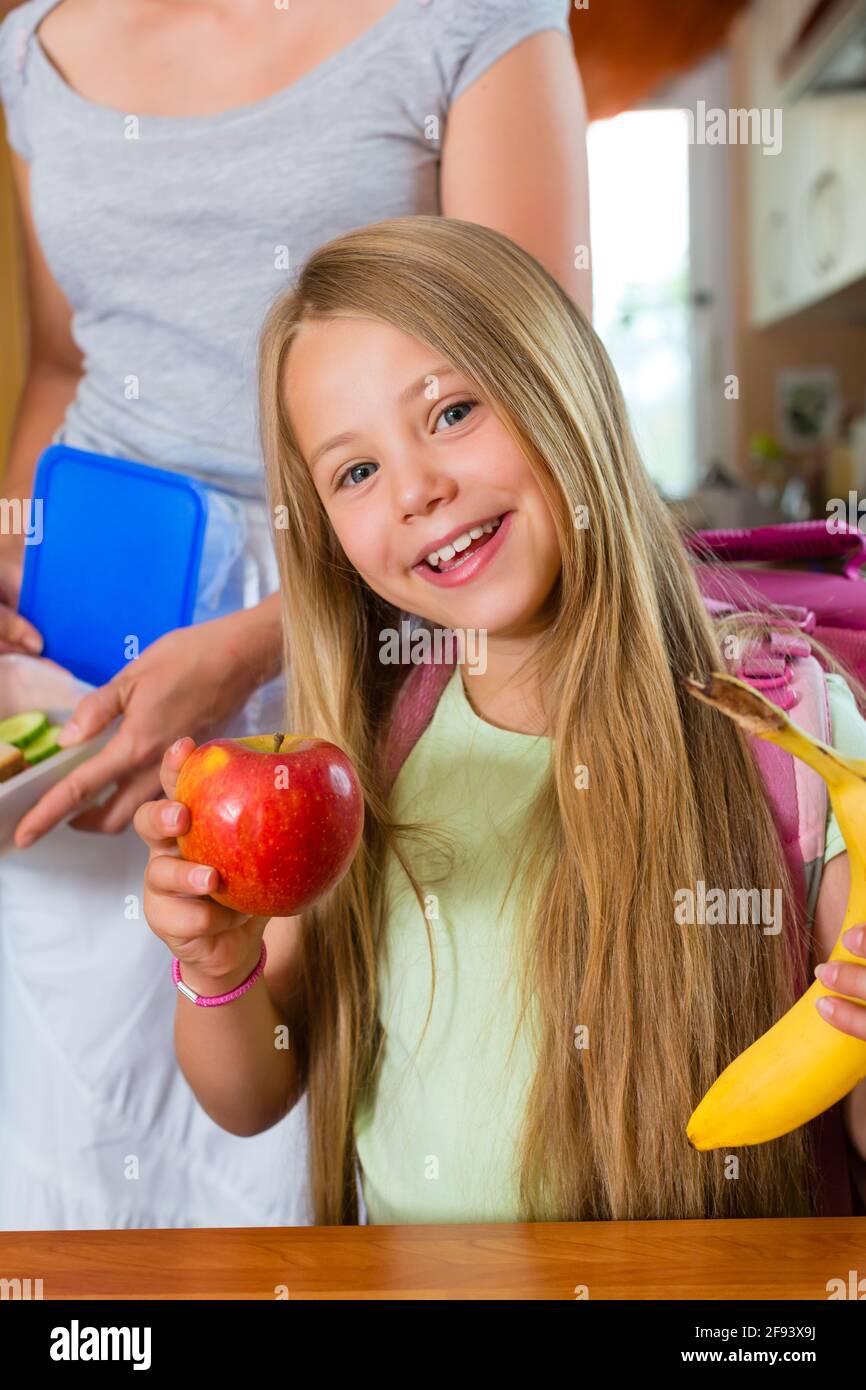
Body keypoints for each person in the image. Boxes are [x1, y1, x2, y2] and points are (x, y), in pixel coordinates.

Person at [135, 215, 866, 1224]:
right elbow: (254, 1093)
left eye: (450, 413)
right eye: (354, 472)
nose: (419, 489)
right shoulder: (362, 762)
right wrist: (215, 967)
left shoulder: (787, 730)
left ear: (558, 383)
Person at [0, 0, 591, 1228]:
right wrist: (14, 560)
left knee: (308, 1117)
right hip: (92, 613)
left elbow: (535, 358)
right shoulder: (29, 47)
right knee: (67, 1120)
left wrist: (262, 640)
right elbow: (65, 363)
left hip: (357, 612)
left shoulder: (463, 18)